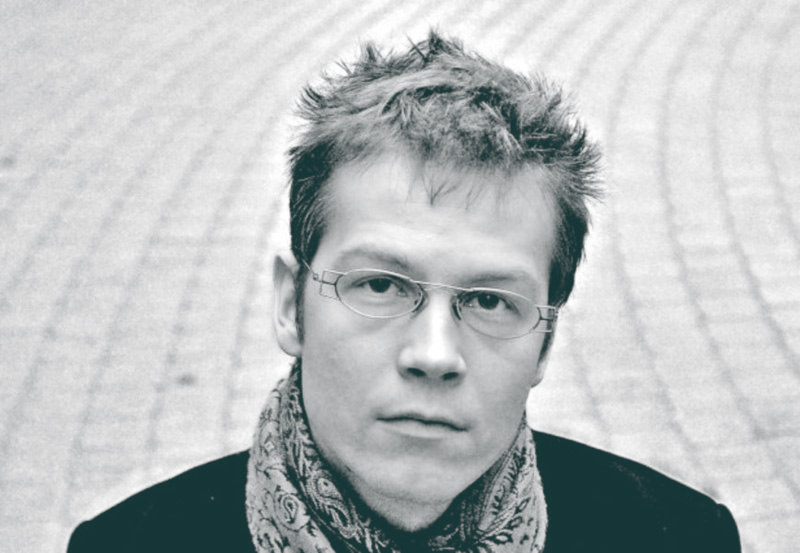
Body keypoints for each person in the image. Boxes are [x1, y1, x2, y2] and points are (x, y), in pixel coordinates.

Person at [67, 31, 740, 552]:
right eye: (381, 285)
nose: (434, 354)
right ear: (291, 305)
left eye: (489, 301)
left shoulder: (678, 537)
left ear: (545, 343)